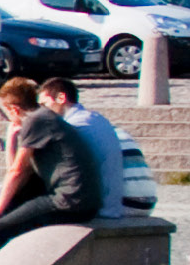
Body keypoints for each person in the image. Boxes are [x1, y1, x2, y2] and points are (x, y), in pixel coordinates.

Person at [0, 73, 104, 256]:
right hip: (81, 201)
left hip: (69, 202)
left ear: (14, 109)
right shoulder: (45, 117)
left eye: (6, 112)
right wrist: (12, 137)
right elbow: (20, 173)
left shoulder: (36, 120)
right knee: (14, 203)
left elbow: (16, 171)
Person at [40, 75, 126, 203]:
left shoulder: (74, 125)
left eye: (44, 104)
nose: (42, 110)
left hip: (95, 206)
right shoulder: (96, 118)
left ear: (61, 98)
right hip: (111, 202)